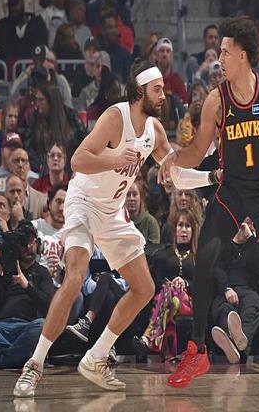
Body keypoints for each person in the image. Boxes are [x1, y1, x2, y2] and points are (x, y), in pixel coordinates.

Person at [13, 59, 220, 397]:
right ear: (139, 91)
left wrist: (212, 176)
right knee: (75, 276)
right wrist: (115, 158)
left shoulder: (155, 130)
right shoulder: (115, 117)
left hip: (112, 212)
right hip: (84, 201)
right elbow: (78, 160)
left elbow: (176, 176)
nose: (163, 95)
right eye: (157, 90)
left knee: (144, 287)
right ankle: (34, 365)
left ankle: (96, 358)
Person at [159, 16, 259, 395]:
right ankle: (197, 351)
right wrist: (173, 159)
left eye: (226, 52)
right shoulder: (217, 100)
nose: (220, 59)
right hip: (230, 189)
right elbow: (199, 149)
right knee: (204, 260)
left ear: (243, 56)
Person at [134, 208, 200, 361]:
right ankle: (171, 354)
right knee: (172, 298)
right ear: (174, 229)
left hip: (190, 301)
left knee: (172, 296)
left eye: (188, 226)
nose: (184, 230)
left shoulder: (198, 257)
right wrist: (169, 284)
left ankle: (148, 338)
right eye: (180, 225)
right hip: (169, 300)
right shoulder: (163, 254)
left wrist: (185, 283)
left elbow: (203, 285)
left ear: (193, 230)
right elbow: (156, 281)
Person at [0, 222, 55, 369]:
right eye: (25, 242)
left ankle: (0, 360)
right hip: (1, 327)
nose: (29, 246)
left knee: (42, 325)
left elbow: (49, 305)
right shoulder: (6, 268)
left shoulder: (42, 272)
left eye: (33, 242)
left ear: (38, 245)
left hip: (28, 326)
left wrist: (27, 286)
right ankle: (20, 354)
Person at [211, 217, 259, 364]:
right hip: (225, 290)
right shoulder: (223, 244)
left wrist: (251, 239)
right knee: (225, 310)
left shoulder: (256, 245)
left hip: (249, 290)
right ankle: (239, 348)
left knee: (253, 307)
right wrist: (226, 289)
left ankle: (234, 345)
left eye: (250, 223)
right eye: (244, 222)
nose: (246, 226)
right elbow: (217, 268)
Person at [125, 176, 160, 245]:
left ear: (141, 197)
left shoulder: (151, 222)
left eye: (135, 194)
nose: (131, 198)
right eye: (128, 195)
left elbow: (154, 248)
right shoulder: (119, 221)